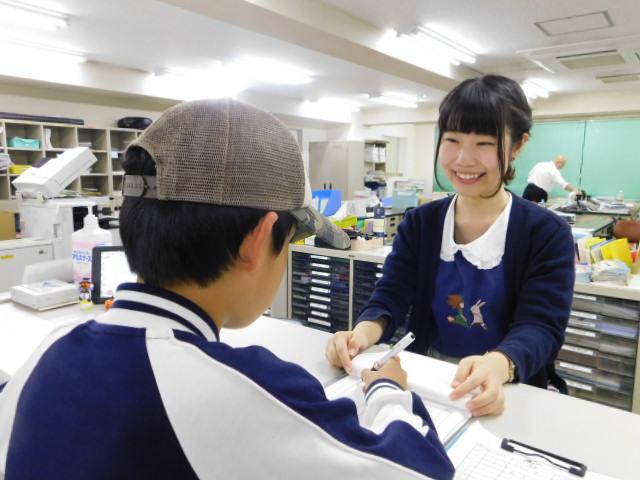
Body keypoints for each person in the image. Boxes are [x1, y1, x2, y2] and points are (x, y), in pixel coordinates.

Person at [0, 99, 454, 480]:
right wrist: (388, 392)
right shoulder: (239, 389)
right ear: (257, 242)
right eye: (291, 241)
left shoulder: (48, 351)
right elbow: (423, 471)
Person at [326, 74, 575, 418]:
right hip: (426, 382)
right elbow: (392, 294)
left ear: (518, 145)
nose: (463, 159)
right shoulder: (421, 223)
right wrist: (362, 332)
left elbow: (541, 326)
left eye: (484, 144)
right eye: (453, 140)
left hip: (506, 389)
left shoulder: (546, 233)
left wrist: (500, 363)